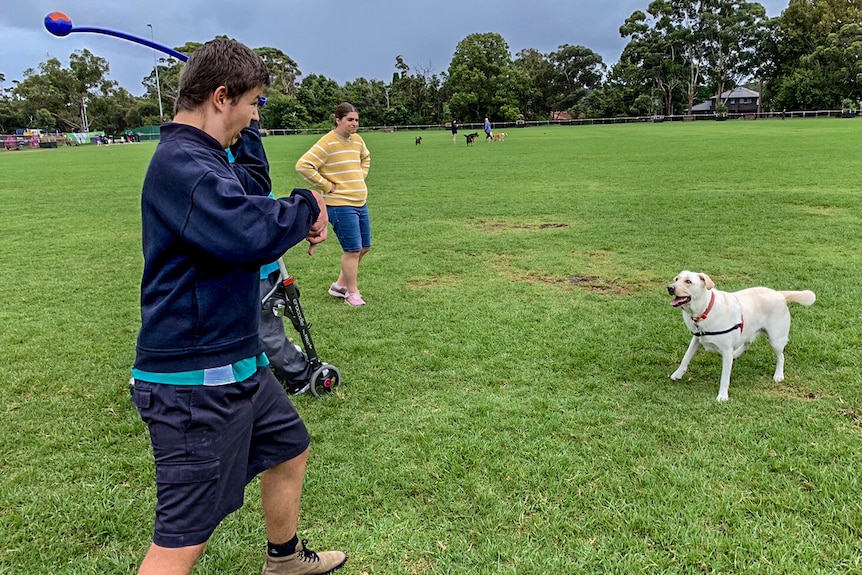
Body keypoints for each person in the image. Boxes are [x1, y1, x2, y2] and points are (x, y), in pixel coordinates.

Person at [129, 38, 346, 575]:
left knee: (289, 449)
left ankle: (285, 561)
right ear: (221, 96)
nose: (254, 117)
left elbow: (251, 188)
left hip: (239, 361)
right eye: (252, 104)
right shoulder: (184, 166)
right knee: (180, 543)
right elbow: (251, 231)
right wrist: (308, 204)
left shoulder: (207, 158)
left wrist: (251, 136)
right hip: (194, 382)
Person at [296, 102, 372, 307]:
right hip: (340, 205)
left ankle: (339, 286)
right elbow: (303, 165)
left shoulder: (357, 141)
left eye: (356, 120)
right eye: (350, 120)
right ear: (338, 120)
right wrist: (326, 185)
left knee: (364, 247)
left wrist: (360, 175)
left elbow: (366, 157)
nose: (354, 124)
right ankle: (352, 293)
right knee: (352, 250)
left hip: (360, 201)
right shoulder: (327, 142)